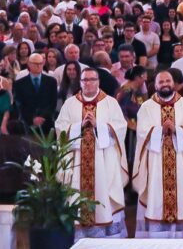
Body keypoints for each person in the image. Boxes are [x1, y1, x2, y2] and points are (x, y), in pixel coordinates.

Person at [54, 66, 129, 239]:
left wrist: (99, 126)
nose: (88, 83)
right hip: (78, 162)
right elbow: (60, 128)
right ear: (79, 82)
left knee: (104, 195)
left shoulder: (110, 102)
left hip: (104, 161)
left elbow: (120, 128)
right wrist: (78, 126)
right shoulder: (70, 103)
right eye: (84, 80)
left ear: (98, 82)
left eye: (92, 80)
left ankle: (107, 240)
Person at [132, 70, 183, 238]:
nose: (165, 84)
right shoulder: (147, 107)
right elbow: (141, 132)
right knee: (156, 197)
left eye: (168, 81)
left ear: (173, 83)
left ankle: (181, 240)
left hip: (180, 159)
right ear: (155, 85)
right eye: (161, 82)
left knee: (181, 197)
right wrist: (160, 130)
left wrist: (177, 130)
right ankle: (157, 239)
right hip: (156, 160)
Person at [12, 52, 58, 133]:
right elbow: (19, 104)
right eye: (35, 63)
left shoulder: (51, 82)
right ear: (29, 64)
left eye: (40, 63)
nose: (38, 66)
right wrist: (32, 119)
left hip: (47, 123)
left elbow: (53, 103)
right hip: (27, 124)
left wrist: (42, 117)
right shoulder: (19, 83)